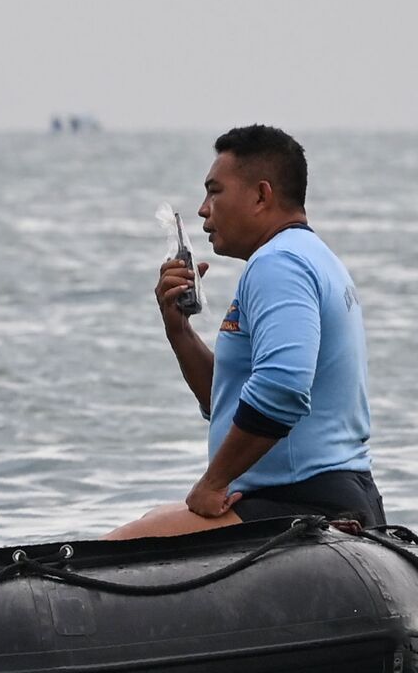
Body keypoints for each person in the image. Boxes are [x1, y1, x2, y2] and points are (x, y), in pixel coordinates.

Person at [107, 125, 381, 539]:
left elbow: (283, 389)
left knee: (114, 551)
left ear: (261, 195)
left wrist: (214, 481)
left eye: (214, 191)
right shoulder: (310, 256)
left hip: (303, 500)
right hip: (330, 492)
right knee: (151, 519)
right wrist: (178, 331)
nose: (202, 209)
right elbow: (229, 400)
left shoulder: (279, 264)